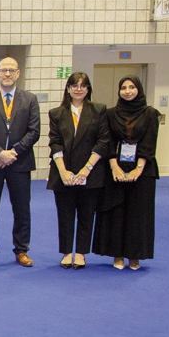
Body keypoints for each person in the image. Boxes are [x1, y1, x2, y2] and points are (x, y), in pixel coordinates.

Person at [0, 57, 41, 267]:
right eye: (4, 70)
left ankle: (21, 250)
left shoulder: (30, 99)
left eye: (12, 70)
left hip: (19, 163)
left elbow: (34, 131)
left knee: (22, 209)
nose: (8, 74)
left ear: (18, 73)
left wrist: (12, 153)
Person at [93, 75, 161, 271]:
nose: (128, 91)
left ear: (138, 89)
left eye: (132, 87)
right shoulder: (110, 114)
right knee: (116, 212)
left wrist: (138, 169)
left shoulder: (150, 114)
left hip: (143, 170)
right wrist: (114, 165)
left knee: (138, 214)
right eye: (124, 87)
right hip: (115, 168)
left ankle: (135, 255)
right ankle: (117, 254)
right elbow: (108, 141)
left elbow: (149, 143)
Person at [47, 73, 109, 269]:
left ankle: (81, 253)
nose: (79, 89)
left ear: (88, 89)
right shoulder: (56, 113)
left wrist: (86, 169)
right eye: (74, 85)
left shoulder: (99, 110)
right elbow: (55, 143)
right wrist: (64, 171)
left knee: (86, 214)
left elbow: (103, 141)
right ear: (68, 88)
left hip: (89, 172)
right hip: (63, 172)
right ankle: (66, 252)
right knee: (64, 215)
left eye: (83, 85)